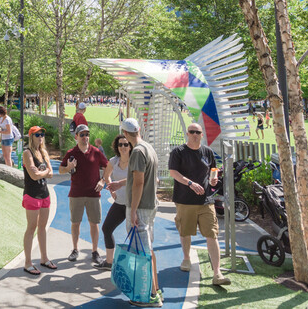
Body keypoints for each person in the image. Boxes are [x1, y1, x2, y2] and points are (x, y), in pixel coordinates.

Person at [168, 122, 230, 286]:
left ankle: (217, 273)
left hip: (206, 201)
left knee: (212, 234)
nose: (195, 134)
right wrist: (190, 183)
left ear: (202, 135)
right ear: (187, 134)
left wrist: (214, 178)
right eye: (192, 132)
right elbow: (173, 172)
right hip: (184, 201)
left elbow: (213, 170)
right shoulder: (178, 152)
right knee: (185, 232)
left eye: (198, 132)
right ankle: (186, 259)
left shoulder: (208, 152)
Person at [119, 118, 162, 307]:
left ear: (126, 134)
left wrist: (133, 210)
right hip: (150, 205)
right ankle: (156, 288)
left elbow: (138, 182)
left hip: (141, 207)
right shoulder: (148, 148)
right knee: (148, 248)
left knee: (142, 252)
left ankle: (151, 296)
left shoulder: (137, 151)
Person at [60, 124, 108, 266]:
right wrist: (68, 168)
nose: (85, 137)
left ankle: (94, 252)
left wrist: (103, 180)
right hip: (76, 193)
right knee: (76, 223)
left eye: (87, 134)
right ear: (76, 137)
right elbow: (61, 170)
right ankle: (75, 249)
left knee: (94, 223)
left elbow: (107, 166)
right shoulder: (71, 153)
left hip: (93, 194)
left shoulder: (96, 152)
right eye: (82, 134)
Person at [21, 126, 56, 276]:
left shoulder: (44, 152)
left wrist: (42, 172)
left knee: (42, 227)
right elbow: (34, 176)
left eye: (42, 134)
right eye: (37, 135)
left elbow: (51, 173)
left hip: (44, 194)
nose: (40, 137)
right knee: (31, 227)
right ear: (31, 137)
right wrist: (44, 173)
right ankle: (28, 263)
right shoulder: (27, 153)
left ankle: (44, 258)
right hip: (32, 195)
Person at [97, 134, 131, 270]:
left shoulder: (135, 160)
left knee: (134, 234)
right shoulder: (114, 161)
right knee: (107, 228)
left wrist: (119, 184)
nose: (123, 147)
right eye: (120, 144)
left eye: (126, 144)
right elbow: (106, 175)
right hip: (119, 203)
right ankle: (109, 262)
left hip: (133, 204)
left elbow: (138, 178)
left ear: (130, 146)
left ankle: (134, 264)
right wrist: (111, 189)